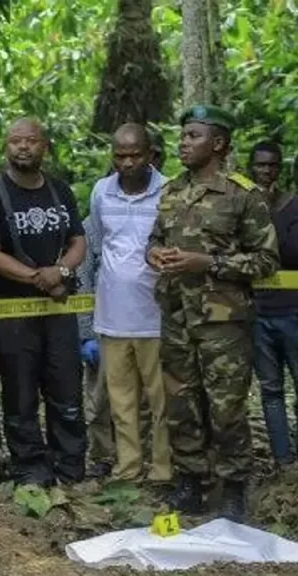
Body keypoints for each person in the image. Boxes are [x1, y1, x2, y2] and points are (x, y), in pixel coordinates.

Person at [147, 105, 279, 521]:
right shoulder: (170, 191)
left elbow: (265, 261)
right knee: (181, 404)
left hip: (223, 323)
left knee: (226, 409)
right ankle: (190, 482)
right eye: (183, 136)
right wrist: (156, 255)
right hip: (177, 317)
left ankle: (235, 488)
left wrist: (208, 264)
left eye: (192, 136)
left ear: (217, 144)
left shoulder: (242, 195)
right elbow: (153, 239)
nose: (183, 143)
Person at [0, 118, 87, 487]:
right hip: (13, 313)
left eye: (31, 141)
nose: (23, 147)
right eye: (15, 141)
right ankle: (30, 469)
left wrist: (63, 272)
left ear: (44, 146)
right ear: (6, 147)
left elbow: (78, 241)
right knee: (20, 392)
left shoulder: (60, 190)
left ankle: (69, 464)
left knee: (66, 387)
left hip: (58, 310)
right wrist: (40, 278)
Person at [89, 123, 171, 484]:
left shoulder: (169, 191)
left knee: (161, 402)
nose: (126, 163)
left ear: (150, 154)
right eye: (119, 156)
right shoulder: (101, 192)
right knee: (120, 402)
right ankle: (128, 468)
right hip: (112, 316)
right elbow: (96, 243)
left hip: (156, 316)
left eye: (134, 155)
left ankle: (163, 470)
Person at [247, 141, 298, 468]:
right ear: (250, 167)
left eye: (272, 165)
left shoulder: (294, 206)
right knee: (270, 389)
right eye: (260, 165)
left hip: (294, 312)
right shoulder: (242, 204)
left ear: (281, 168)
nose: (266, 171)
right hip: (257, 314)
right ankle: (283, 460)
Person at [76, 214, 115, 479]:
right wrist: (86, 333)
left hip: (143, 323)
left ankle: (137, 457)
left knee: (143, 401)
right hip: (101, 324)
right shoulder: (93, 224)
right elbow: (83, 277)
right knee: (99, 399)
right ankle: (102, 456)